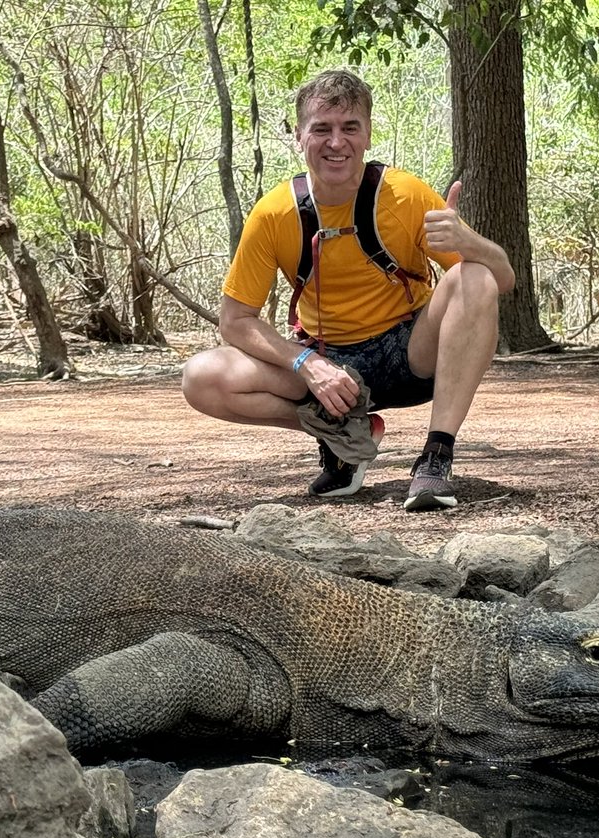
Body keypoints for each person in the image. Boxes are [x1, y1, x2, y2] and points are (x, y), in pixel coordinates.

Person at [181, 68, 514, 511]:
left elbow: (501, 282)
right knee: (201, 377)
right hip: (326, 366)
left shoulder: (406, 195)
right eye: (321, 129)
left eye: (349, 128)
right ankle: (341, 432)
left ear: (367, 134)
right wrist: (306, 364)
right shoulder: (274, 214)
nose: (336, 143)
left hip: (409, 353)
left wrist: (470, 244)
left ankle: (436, 456)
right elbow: (234, 320)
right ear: (300, 136)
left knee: (475, 274)